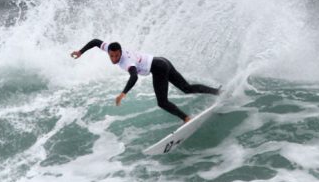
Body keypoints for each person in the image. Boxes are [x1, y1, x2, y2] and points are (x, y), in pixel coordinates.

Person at [71, 39, 219, 122]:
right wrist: (80, 52)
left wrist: (123, 93)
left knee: (162, 102)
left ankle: (186, 118)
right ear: (109, 51)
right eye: (112, 56)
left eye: (116, 56)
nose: (114, 59)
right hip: (162, 61)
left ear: (120, 52)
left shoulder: (125, 61)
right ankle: (218, 92)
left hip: (158, 68)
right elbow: (96, 42)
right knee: (186, 88)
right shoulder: (110, 47)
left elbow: (134, 76)